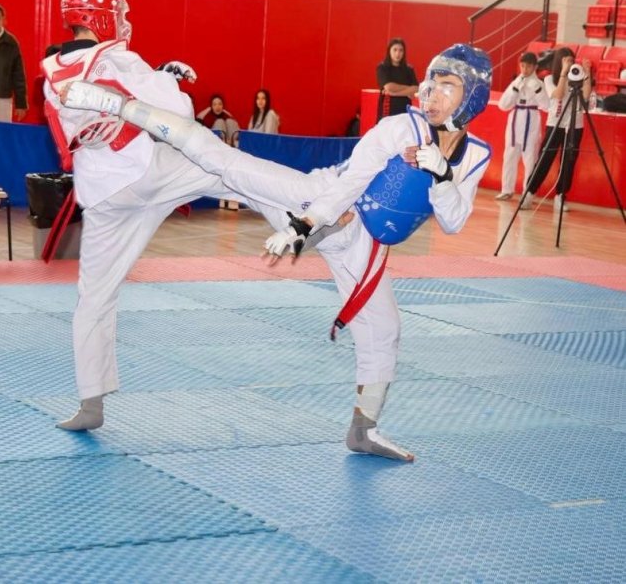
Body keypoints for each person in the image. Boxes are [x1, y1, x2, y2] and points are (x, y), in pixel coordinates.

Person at [60, 43, 493, 462]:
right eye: (430, 83)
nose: (432, 94)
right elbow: (351, 181)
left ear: (471, 96)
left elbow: (454, 221)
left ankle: (364, 430)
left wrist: (443, 175)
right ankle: (120, 106)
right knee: (224, 162)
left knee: (384, 328)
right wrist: (306, 224)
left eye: (446, 85)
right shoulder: (401, 128)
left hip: (366, 241)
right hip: (319, 201)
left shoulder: (475, 154)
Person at [41, 0, 261, 433]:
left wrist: (156, 76)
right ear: (102, 14)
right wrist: (169, 83)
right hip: (149, 171)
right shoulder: (120, 58)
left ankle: (90, 403)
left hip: (102, 193)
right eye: (118, 9)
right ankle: (310, 205)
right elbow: (176, 112)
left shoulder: (53, 71)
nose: (124, 18)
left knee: (94, 296)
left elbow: (106, 109)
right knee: (229, 171)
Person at [522, 47, 592, 212]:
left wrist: (587, 73)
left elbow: (586, 95)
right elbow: (558, 95)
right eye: (565, 61)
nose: (569, 64)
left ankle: (560, 196)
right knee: (545, 158)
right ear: (558, 62)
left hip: (575, 124)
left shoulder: (578, 76)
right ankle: (529, 193)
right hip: (555, 123)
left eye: (571, 60)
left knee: (568, 161)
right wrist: (563, 73)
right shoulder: (548, 79)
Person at [495, 52, 549, 200]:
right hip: (515, 119)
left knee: (530, 158)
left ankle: (528, 193)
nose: (525, 69)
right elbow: (503, 105)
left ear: (535, 67)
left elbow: (546, 106)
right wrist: (514, 90)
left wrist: (536, 90)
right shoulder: (515, 82)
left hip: (531, 120)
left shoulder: (539, 84)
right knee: (509, 156)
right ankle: (507, 189)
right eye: (523, 66)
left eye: (529, 66)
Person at [377, 38, 418, 119]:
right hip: (388, 108)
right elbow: (389, 87)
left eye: (401, 50)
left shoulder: (409, 69)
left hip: (405, 108)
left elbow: (416, 88)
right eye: (395, 50)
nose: (398, 53)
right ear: (389, 51)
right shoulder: (382, 67)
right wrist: (408, 89)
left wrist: (394, 93)